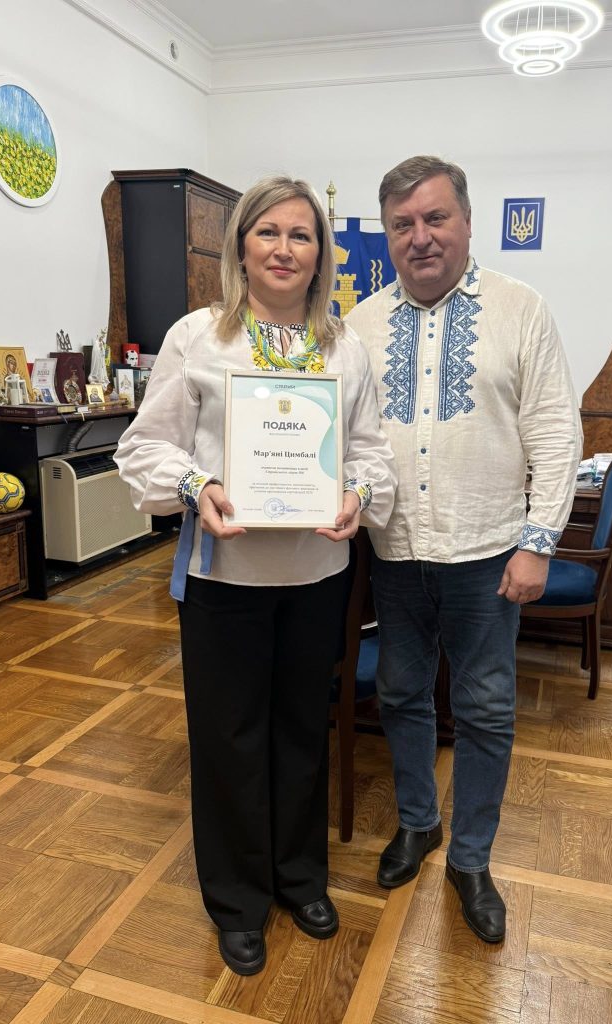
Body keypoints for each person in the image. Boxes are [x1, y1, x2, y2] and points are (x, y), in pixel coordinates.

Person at [115, 175, 395, 976]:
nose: (283, 248)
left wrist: (357, 494)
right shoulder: (198, 338)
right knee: (229, 738)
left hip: (317, 574)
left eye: (300, 235)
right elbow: (146, 446)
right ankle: (237, 901)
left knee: (303, 730)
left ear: (321, 254)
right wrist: (195, 486)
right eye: (268, 232)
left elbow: (370, 454)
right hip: (223, 577)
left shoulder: (344, 348)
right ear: (241, 246)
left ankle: (300, 878)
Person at [345, 155, 582, 944]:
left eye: (435, 218)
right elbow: (345, 437)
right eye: (402, 224)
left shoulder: (521, 310)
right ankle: (419, 822)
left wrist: (539, 543)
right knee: (402, 694)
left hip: (488, 555)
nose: (420, 237)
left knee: (484, 708)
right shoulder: (359, 325)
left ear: (468, 222)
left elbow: (556, 432)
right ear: (387, 236)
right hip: (395, 551)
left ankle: (472, 859)